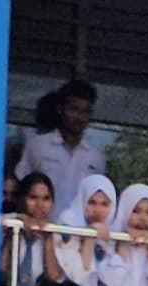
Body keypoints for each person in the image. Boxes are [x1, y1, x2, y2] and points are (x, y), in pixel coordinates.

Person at [16, 80, 94, 218]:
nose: (79, 117)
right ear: (60, 109)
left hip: (80, 236)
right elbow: (21, 187)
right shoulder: (38, 146)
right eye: (74, 109)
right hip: (41, 231)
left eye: (85, 111)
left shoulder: (96, 156)